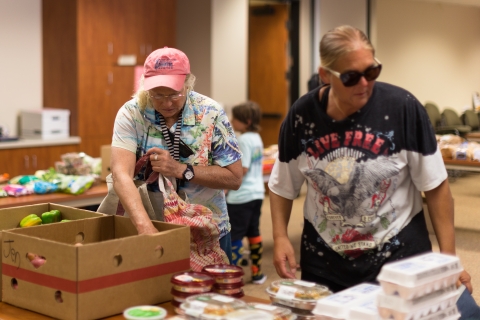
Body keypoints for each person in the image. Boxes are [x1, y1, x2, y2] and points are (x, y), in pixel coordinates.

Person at [268, 25, 480, 318]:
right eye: (351, 76)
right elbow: (282, 185)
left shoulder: (403, 108)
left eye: (372, 71)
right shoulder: (301, 117)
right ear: (325, 75)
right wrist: (279, 236)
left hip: (399, 256)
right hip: (326, 260)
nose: (364, 83)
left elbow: (436, 186)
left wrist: (448, 259)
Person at [110, 47, 243, 263]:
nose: (167, 103)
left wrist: (181, 169)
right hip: (153, 227)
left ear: (188, 84)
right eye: (157, 95)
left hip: (208, 231)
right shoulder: (132, 113)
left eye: (174, 94)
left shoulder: (210, 113)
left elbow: (234, 178)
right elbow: (120, 175)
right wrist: (145, 226)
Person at [226, 101, 266, 284]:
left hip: (241, 197)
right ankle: (257, 273)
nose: (232, 120)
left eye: (236, 118)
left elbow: (243, 168)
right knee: (254, 232)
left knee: (235, 235)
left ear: (247, 121)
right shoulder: (257, 138)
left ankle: (233, 275)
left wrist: (225, 185)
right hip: (257, 193)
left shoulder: (242, 140)